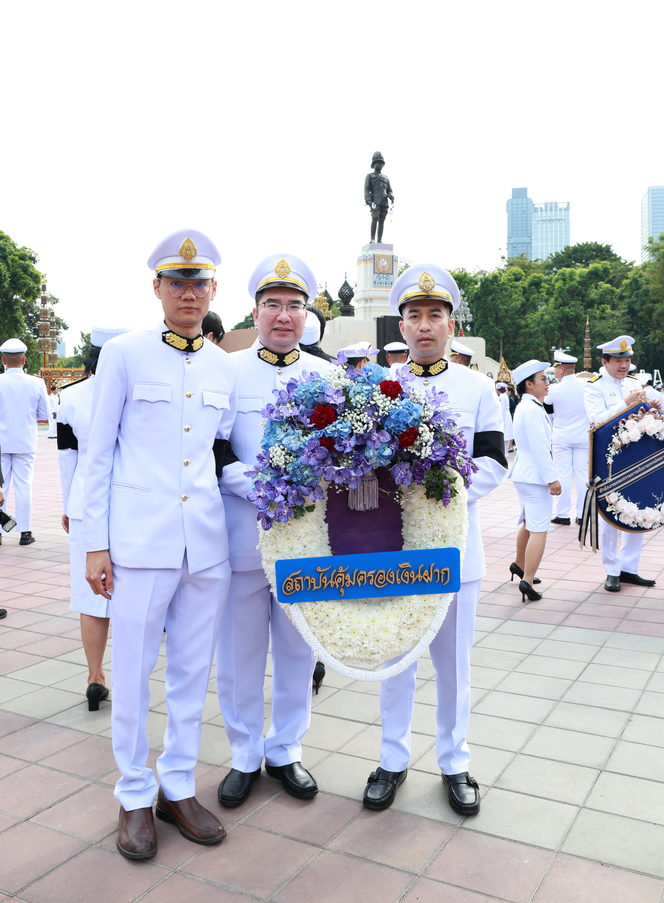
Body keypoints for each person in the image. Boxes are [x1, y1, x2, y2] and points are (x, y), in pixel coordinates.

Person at [84, 229, 250, 860]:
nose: (188, 293)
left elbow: (218, 452)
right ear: (156, 288)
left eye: (199, 283)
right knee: (131, 673)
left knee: (190, 673)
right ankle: (132, 794)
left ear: (213, 291)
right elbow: (97, 455)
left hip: (204, 546)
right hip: (139, 545)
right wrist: (95, 544)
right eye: (177, 282)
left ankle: (177, 785)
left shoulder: (221, 366)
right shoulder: (123, 355)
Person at [363, 264, 507, 816]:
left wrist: (441, 490)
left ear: (452, 325)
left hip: (454, 550)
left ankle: (455, 762)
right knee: (396, 658)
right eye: (414, 316)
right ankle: (391, 760)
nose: (424, 326)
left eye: (435, 316)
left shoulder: (475, 389)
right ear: (400, 326)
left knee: (453, 664)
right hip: (393, 551)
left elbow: (494, 461)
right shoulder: (379, 389)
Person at [215, 253, 332, 810]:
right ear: (255, 311)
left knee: (295, 649)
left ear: (307, 315)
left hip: (305, 540)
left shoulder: (328, 377)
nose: (283, 316)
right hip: (240, 536)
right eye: (272, 305)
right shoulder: (227, 370)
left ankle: (286, 748)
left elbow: (346, 457)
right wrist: (253, 484)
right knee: (238, 651)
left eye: (294, 306)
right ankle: (242, 753)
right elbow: (210, 446)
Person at [58, 328, 127, 710]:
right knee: (134, 594)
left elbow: (68, 457)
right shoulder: (135, 390)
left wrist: (69, 505)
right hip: (132, 502)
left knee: (91, 595)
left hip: (86, 502)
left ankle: (95, 676)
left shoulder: (70, 396)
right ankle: (132, 677)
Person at [584, 335, 660, 592]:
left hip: (637, 457)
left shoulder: (635, 383)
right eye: (618, 360)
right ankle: (612, 570)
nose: (624, 365)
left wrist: (655, 406)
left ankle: (630, 568)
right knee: (611, 514)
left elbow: (650, 415)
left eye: (627, 360)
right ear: (604, 362)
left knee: (638, 508)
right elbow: (596, 420)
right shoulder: (593, 386)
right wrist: (624, 404)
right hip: (609, 461)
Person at [508, 361, 561, 602]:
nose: (547, 382)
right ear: (529, 384)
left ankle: (520, 565)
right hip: (534, 476)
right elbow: (541, 448)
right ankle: (527, 580)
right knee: (539, 529)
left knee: (530, 523)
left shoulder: (526, 405)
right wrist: (552, 479)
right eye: (543, 379)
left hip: (525, 474)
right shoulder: (532, 408)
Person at [0, 338, 50, 545]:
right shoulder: (36, 382)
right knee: (24, 487)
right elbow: (45, 414)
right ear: (24, 360)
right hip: (25, 443)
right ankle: (25, 532)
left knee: (1, 488)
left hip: (1, 443)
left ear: (3, 360)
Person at [545, 351, 590, 527]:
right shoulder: (586, 385)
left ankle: (563, 514)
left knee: (562, 475)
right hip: (583, 437)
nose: (555, 371)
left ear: (562, 369)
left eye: (556, 368)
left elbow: (548, 411)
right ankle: (582, 514)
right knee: (582, 476)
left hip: (562, 437)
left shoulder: (554, 389)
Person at [364, 151, 394, 244]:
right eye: (377, 163)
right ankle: (372, 239)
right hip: (375, 201)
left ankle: (379, 240)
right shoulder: (370, 176)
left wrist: (391, 196)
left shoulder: (386, 177)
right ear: (373, 164)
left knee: (382, 220)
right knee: (374, 218)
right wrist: (369, 201)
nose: (379, 165)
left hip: (384, 202)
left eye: (381, 163)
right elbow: (366, 190)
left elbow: (390, 190)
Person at [496, 382, 514, 454]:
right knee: (507, 434)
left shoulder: (501, 397)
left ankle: (504, 452)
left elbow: (502, 409)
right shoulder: (505, 395)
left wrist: (501, 420)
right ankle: (505, 451)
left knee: (505, 434)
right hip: (507, 414)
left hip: (504, 416)